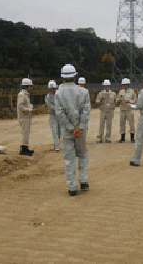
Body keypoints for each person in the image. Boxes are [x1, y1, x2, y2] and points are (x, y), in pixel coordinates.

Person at [55, 64, 91, 196]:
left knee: (69, 159)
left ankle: (72, 187)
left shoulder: (58, 93)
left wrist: (70, 128)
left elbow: (59, 113)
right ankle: (84, 181)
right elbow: (86, 111)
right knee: (82, 155)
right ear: (75, 76)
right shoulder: (83, 91)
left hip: (67, 130)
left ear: (62, 77)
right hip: (80, 131)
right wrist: (79, 127)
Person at [18, 78, 34, 156]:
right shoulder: (21, 94)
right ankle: (23, 149)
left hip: (26, 116)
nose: (31, 87)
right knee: (25, 133)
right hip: (23, 117)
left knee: (26, 132)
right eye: (30, 86)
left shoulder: (26, 94)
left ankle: (25, 147)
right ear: (27, 86)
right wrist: (29, 109)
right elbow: (20, 107)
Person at [117, 78, 137, 143]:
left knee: (131, 124)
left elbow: (135, 100)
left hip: (129, 110)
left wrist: (129, 101)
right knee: (122, 124)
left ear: (128, 85)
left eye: (126, 85)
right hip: (122, 110)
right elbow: (117, 99)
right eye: (123, 85)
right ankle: (122, 137)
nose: (124, 86)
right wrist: (118, 101)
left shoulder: (132, 91)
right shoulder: (120, 92)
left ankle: (132, 138)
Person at [45, 80, 61, 151]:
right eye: (50, 89)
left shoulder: (59, 95)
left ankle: (57, 142)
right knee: (54, 130)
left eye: (53, 89)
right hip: (52, 115)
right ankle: (57, 146)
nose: (52, 90)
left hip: (59, 115)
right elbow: (50, 106)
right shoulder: (48, 96)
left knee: (59, 131)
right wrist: (57, 109)